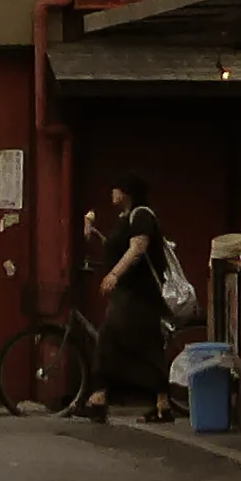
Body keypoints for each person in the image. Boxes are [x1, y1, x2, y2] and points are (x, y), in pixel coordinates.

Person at [80, 174, 170, 423]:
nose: (112, 193)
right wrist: (91, 231)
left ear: (126, 192)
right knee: (143, 343)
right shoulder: (124, 218)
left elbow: (137, 248)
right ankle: (161, 403)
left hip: (139, 293)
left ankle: (99, 397)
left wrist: (114, 274)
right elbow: (118, 247)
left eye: (116, 188)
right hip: (129, 292)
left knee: (112, 337)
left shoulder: (141, 216)